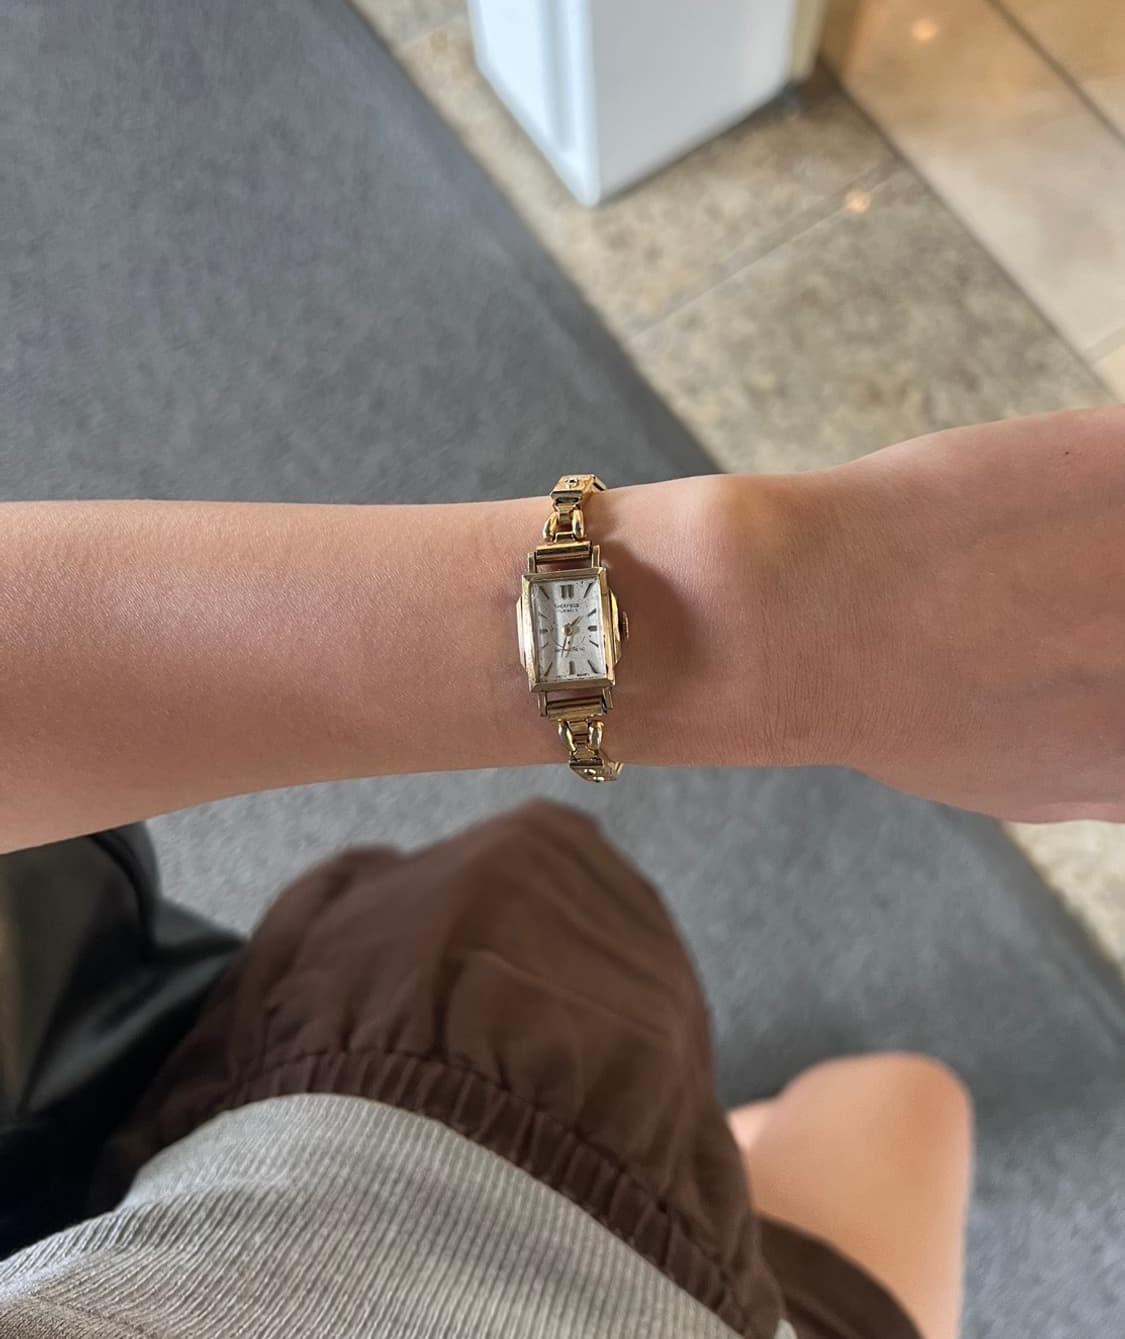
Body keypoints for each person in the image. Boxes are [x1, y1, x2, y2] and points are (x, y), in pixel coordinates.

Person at [1, 405, 1121, 1339]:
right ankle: (724, 1138)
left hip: (335, 1183)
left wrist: (740, 596)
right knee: (906, 1096)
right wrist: (746, 599)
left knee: (905, 1101)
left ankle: (722, 1139)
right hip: (515, 1189)